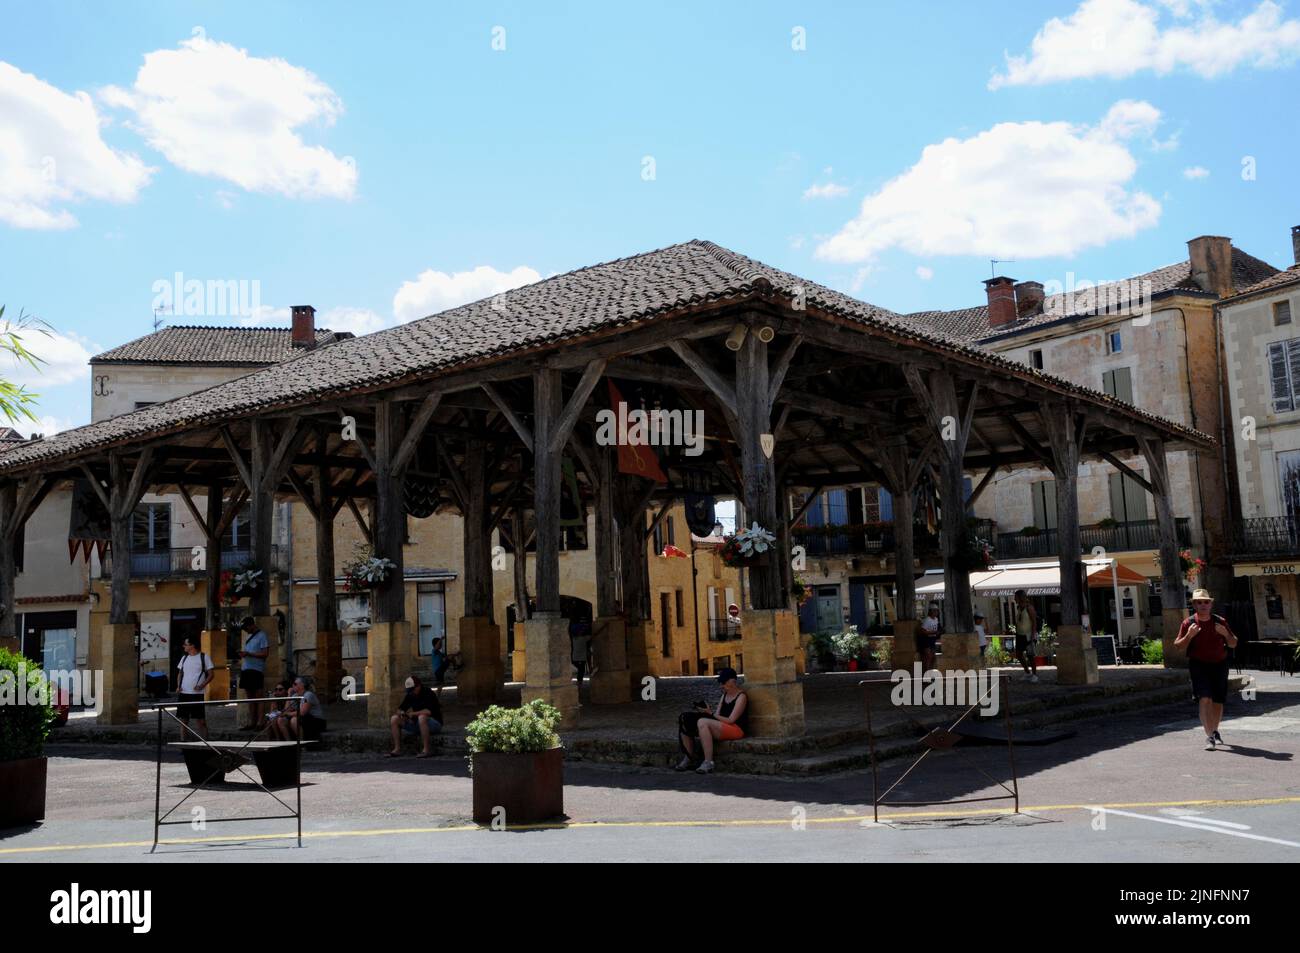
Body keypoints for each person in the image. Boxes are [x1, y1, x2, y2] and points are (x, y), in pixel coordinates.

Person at [1173, 588, 1238, 751]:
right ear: (1194, 605)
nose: (1203, 605)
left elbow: (1233, 643)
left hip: (1219, 664)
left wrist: (1225, 634)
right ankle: (1209, 737)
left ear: (1211, 604)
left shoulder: (1220, 621)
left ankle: (1215, 731)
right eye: (1199, 602)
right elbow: (1178, 646)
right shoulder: (1189, 623)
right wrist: (1189, 636)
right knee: (1205, 698)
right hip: (1199, 665)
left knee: (1217, 701)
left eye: (1206, 602)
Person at [675, 667, 748, 775]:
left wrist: (711, 714)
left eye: (723, 682)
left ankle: (708, 762)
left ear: (732, 681)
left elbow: (731, 719)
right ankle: (689, 757)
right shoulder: (724, 695)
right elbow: (717, 715)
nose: (721, 685)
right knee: (685, 719)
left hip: (736, 729)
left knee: (702, 722)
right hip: (724, 726)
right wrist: (706, 712)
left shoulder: (741, 696)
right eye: (721, 682)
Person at [388, 675, 443, 757]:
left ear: (418, 686)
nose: (412, 692)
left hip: (434, 724)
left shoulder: (428, 693)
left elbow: (428, 711)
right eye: (410, 690)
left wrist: (412, 714)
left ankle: (426, 750)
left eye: (413, 689)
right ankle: (397, 749)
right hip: (417, 723)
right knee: (394, 719)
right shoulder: (410, 694)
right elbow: (400, 709)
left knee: (422, 717)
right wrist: (402, 714)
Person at [174, 637, 214, 740]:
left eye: (186, 644)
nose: (184, 646)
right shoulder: (184, 658)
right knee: (183, 721)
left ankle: (206, 744)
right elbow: (180, 673)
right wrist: (178, 686)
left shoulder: (204, 657)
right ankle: (184, 744)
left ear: (192, 645)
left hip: (197, 694)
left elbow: (211, 675)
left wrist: (202, 685)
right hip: (184, 693)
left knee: (201, 721)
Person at [237, 616, 270, 729]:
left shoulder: (262, 636)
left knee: (258, 696)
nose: (245, 630)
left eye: (246, 628)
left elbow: (265, 653)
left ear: (251, 625)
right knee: (250, 697)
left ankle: (260, 722)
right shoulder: (249, 636)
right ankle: (252, 722)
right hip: (246, 669)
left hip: (256, 669)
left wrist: (250, 654)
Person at [278, 675, 327, 742]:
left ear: (302, 685)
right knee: (281, 720)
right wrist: (289, 694)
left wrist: (287, 714)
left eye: (295, 684)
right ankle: (288, 742)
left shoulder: (308, 695)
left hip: (317, 720)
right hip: (305, 718)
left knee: (294, 720)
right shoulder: (295, 695)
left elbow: (302, 712)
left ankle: (301, 742)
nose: (292, 685)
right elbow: (286, 709)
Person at [1012, 590, 1039, 683]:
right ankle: (1027, 672)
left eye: (1015, 597)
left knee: (1030, 655)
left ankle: (1035, 675)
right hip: (1020, 635)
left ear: (1020, 597)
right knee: (1018, 654)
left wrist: (1033, 635)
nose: (1014, 599)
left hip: (1028, 635)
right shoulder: (1019, 608)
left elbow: (1034, 622)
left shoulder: (1029, 608)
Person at [917, 603, 942, 672]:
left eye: (937, 611)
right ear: (931, 611)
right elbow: (922, 631)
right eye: (934, 611)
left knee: (933, 657)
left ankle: (930, 672)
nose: (936, 612)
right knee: (928, 657)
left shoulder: (936, 619)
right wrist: (933, 632)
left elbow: (937, 629)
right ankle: (926, 673)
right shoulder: (927, 620)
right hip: (926, 640)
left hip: (932, 640)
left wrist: (938, 632)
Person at [570, 620, 591, 691]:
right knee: (581, 670)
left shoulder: (573, 639)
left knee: (580, 670)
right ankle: (579, 683)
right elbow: (593, 635)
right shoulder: (583, 638)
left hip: (574, 658)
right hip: (581, 658)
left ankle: (579, 683)